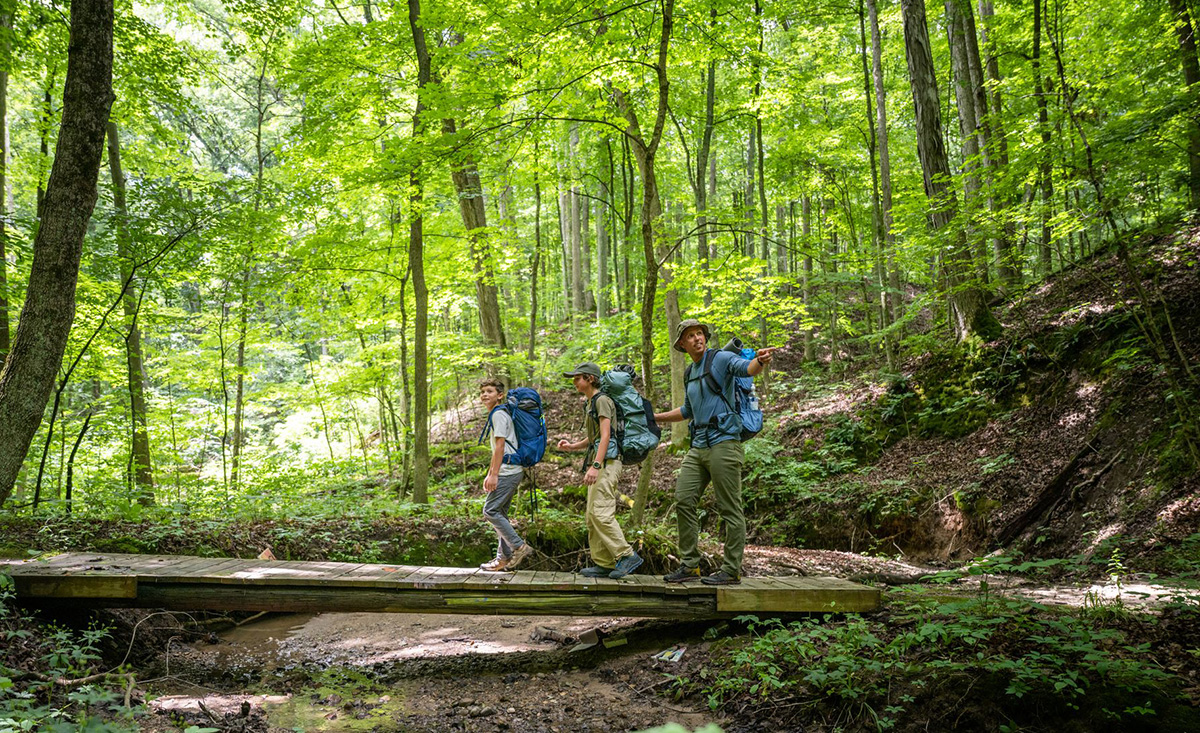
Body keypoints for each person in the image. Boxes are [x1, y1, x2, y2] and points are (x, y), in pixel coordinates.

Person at [654, 320, 776, 585]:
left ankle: (731, 570)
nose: (697, 338)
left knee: (729, 508)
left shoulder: (720, 358)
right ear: (682, 344)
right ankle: (690, 565)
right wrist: (656, 417)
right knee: (683, 499)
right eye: (690, 336)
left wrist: (760, 361)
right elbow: (687, 410)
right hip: (698, 446)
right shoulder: (689, 372)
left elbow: (746, 368)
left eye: (699, 333)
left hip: (724, 444)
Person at [556, 362, 644, 579]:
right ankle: (604, 562)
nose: (574, 382)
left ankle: (627, 554)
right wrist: (573, 446)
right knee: (591, 516)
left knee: (600, 513)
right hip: (601, 461)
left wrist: (596, 465)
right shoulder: (592, 402)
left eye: (578, 378)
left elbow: (606, 435)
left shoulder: (602, 400)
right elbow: (595, 437)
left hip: (607, 463)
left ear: (590, 379)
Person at [478, 378, 534, 572]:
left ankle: (519, 547)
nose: (485, 395)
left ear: (500, 395)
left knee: (490, 511)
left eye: (490, 391)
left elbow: (501, 447)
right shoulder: (498, 413)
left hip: (508, 471)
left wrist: (494, 475)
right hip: (509, 469)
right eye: (482, 392)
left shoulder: (499, 414)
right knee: (500, 512)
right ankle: (503, 558)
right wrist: (490, 473)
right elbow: (497, 449)